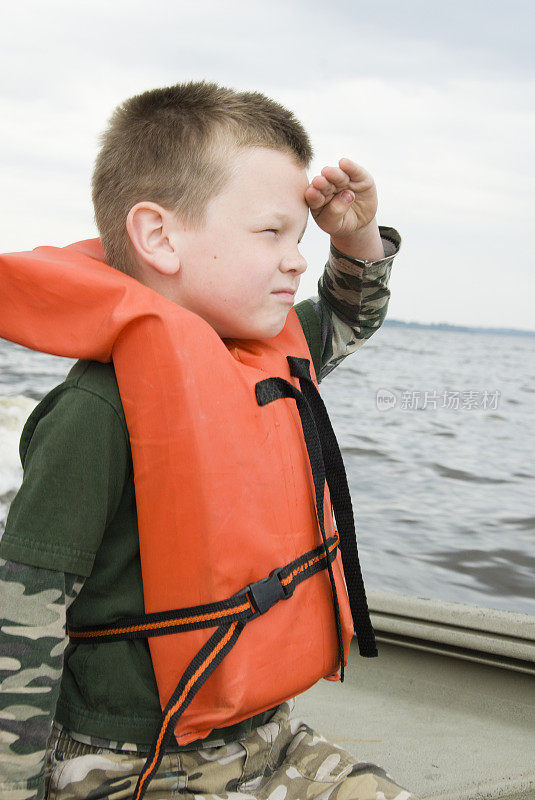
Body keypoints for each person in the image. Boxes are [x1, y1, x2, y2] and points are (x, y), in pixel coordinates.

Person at [0, 81, 410, 799]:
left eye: (301, 240)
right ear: (158, 236)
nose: (295, 261)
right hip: (127, 760)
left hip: (267, 733)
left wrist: (354, 240)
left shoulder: (268, 351)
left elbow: (349, 318)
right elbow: (23, 616)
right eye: (270, 233)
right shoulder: (95, 410)